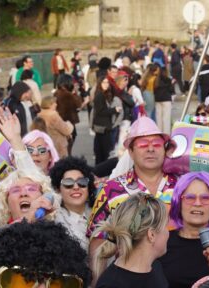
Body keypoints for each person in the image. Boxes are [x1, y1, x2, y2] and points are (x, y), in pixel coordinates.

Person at [87, 116, 177, 258]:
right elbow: (97, 238)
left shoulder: (181, 186)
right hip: (129, 275)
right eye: (143, 144)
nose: (151, 149)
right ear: (130, 152)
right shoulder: (111, 189)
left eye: (157, 143)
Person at [49, 156, 97, 251]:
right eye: (68, 183)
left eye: (81, 182)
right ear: (58, 189)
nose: (75, 187)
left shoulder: (101, 212)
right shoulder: (52, 220)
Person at [92, 77, 120, 164]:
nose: (106, 85)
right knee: (104, 152)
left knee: (100, 151)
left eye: (107, 83)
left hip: (101, 127)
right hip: (103, 127)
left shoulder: (101, 94)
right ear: (100, 84)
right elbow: (100, 111)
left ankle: (99, 171)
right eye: (103, 82)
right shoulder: (100, 95)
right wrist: (114, 110)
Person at [54, 74, 84, 156]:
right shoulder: (67, 94)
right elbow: (78, 104)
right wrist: (75, 93)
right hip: (68, 124)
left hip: (62, 124)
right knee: (67, 150)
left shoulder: (57, 93)